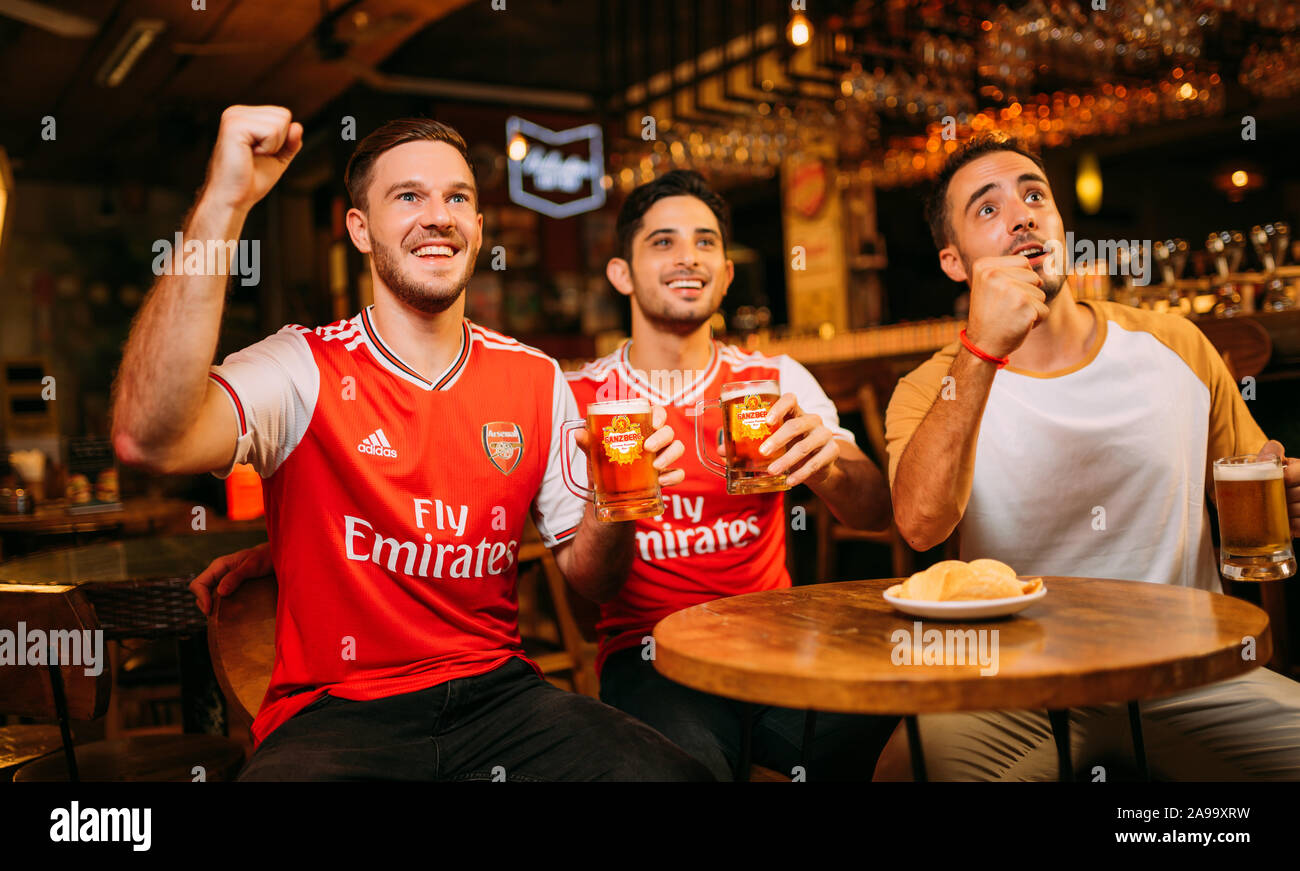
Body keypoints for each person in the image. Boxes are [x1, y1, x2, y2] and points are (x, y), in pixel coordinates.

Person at [111, 105, 711, 782]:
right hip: (338, 718)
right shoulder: (302, 366)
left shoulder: (535, 376)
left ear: (479, 228)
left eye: (458, 197)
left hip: (501, 698)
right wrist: (225, 200)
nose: (439, 215)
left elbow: (593, 578)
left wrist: (616, 505)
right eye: (408, 197)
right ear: (360, 230)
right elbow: (148, 439)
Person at [877, 134, 1300, 780]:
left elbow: (1258, 491)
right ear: (954, 263)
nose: (1021, 214)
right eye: (987, 210)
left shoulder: (1177, 345)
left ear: (1059, 225)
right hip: (1010, 687)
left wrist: (1289, 494)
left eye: (1034, 195)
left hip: (1188, 670)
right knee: (903, 772)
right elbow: (921, 523)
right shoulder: (930, 389)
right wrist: (983, 349)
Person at [565, 170, 898, 781]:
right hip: (651, 651)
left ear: (727, 271)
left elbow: (874, 513)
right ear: (621, 273)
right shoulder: (581, 398)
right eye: (663, 242)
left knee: (907, 728)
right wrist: (615, 504)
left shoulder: (775, 379)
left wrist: (827, 465)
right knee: (675, 770)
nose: (688, 257)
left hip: (774, 638)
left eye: (706, 242)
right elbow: (591, 590)